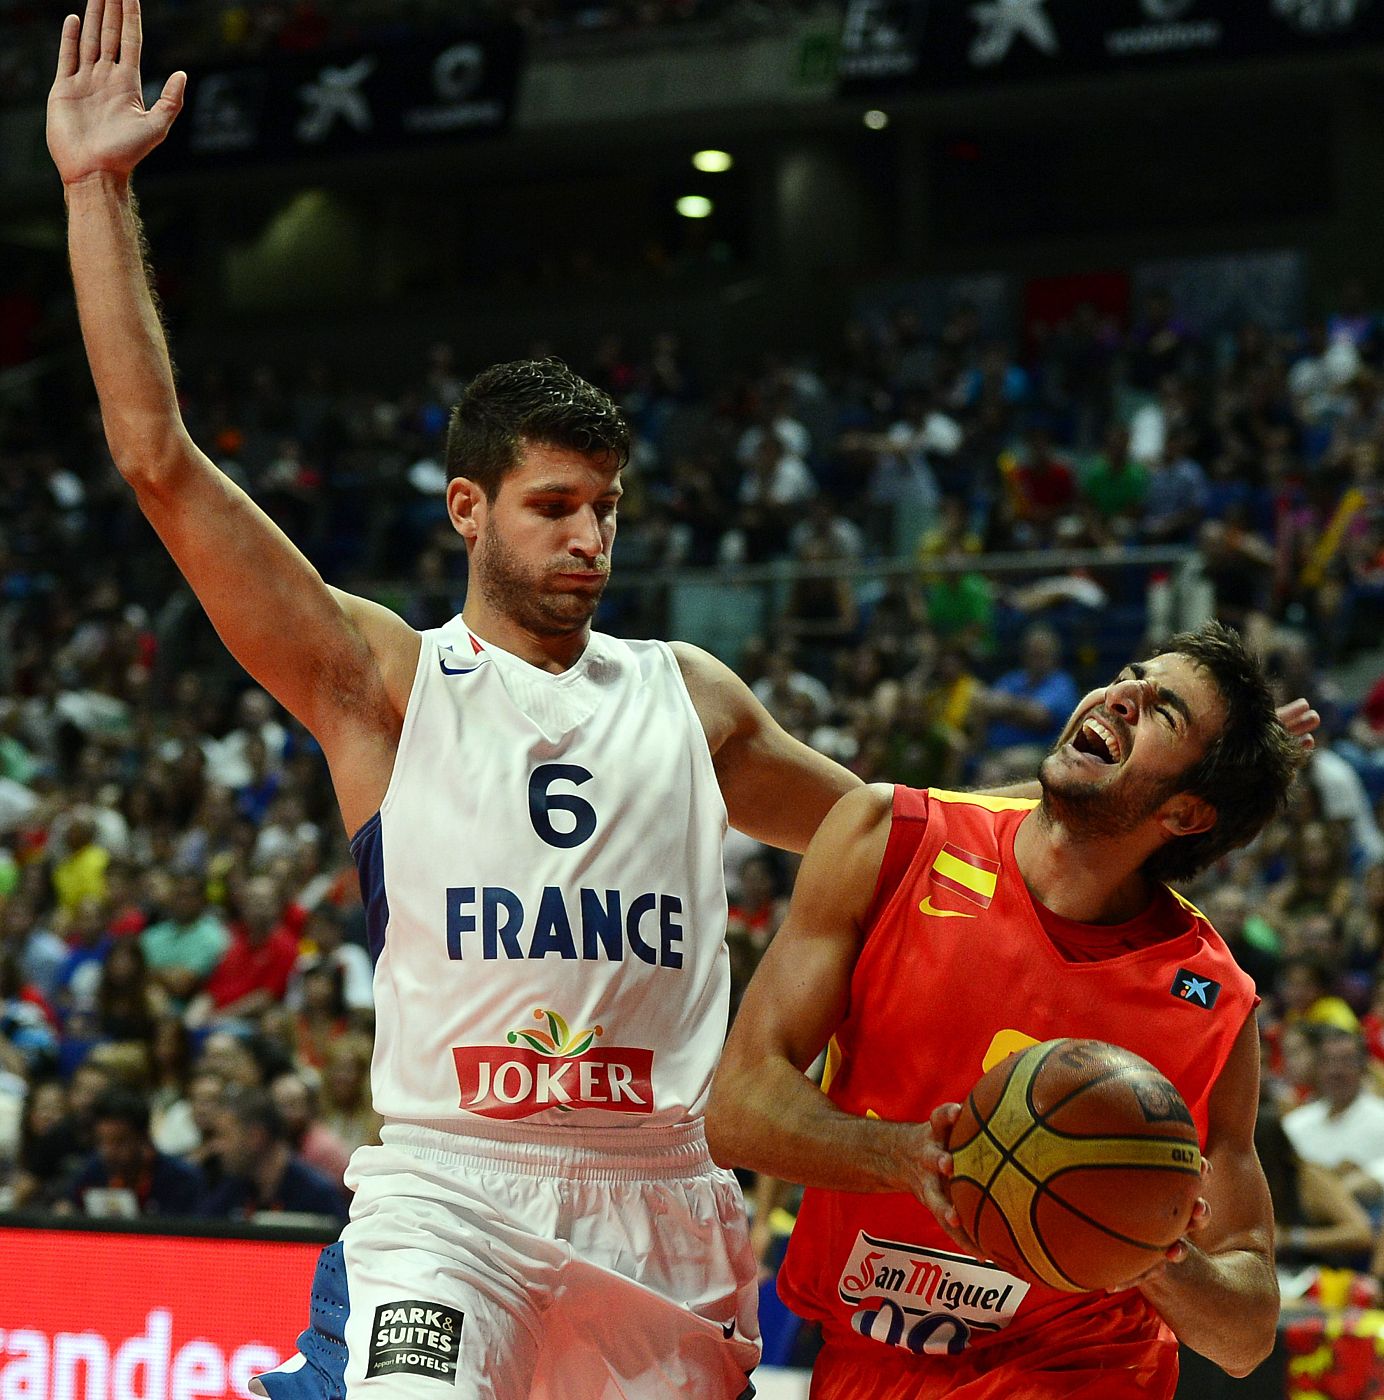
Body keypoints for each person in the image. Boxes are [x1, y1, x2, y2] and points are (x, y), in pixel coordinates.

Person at [45, 8, 857, 1395]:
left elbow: (895, 839)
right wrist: (95, 190)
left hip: (663, 1199)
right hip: (453, 1190)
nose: (589, 536)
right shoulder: (382, 679)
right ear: (468, 508)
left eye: (607, 507)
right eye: (555, 505)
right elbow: (158, 459)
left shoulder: (693, 700)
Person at [707, 622, 1304, 1398]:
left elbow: (1246, 1333)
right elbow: (738, 1109)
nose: (1122, 694)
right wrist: (906, 1156)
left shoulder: (1211, 998)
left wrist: (1148, 1246)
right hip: (865, 1365)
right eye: (1131, 673)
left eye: (1164, 710)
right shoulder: (891, 841)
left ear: (1188, 815)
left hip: (1080, 1376)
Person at [69, 1084, 205, 1218]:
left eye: (119, 1142)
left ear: (143, 1138)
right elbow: (68, 1205)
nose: (108, 1151)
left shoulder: (181, 1180)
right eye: (101, 1141)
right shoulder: (94, 1170)